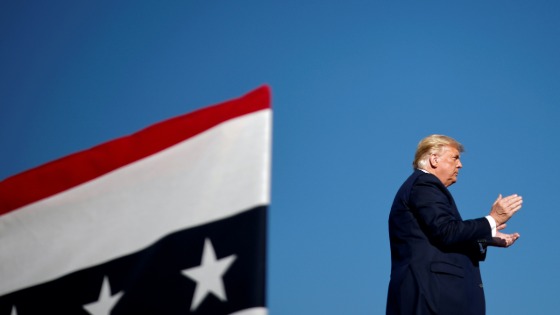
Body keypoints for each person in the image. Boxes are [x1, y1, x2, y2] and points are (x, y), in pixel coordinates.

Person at [386, 134, 522, 315]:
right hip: (431, 296)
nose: (460, 165)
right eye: (455, 158)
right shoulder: (425, 184)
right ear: (434, 159)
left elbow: (442, 237)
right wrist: (492, 219)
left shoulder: (422, 186)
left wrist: (486, 238)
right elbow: (446, 231)